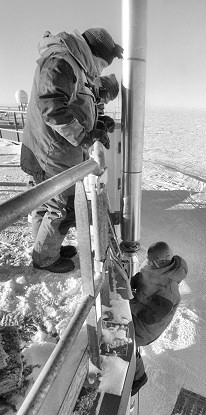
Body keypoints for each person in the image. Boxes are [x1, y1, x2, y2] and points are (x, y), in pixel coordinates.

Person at [20, 28, 123, 273]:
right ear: (92, 54)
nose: (99, 72)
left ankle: (44, 249)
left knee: (45, 204)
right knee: (61, 208)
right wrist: (86, 138)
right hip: (50, 153)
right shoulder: (62, 61)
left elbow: (77, 106)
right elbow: (52, 107)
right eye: (101, 64)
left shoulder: (75, 65)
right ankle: (45, 257)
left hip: (52, 150)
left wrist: (97, 124)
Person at [129, 241, 188, 396]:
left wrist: (129, 303)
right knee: (122, 327)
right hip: (140, 312)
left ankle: (138, 377)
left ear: (159, 261)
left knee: (124, 336)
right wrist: (131, 282)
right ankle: (132, 362)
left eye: (150, 261)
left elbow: (150, 316)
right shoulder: (158, 269)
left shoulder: (168, 290)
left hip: (147, 328)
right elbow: (143, 278)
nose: (148, 263)